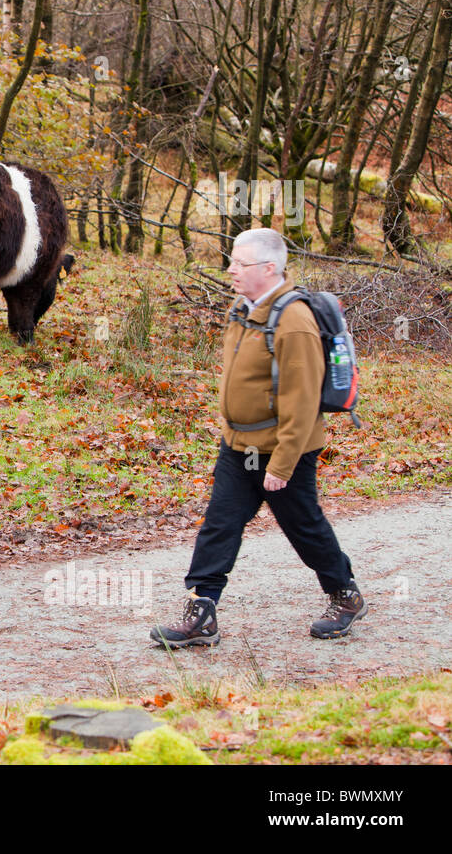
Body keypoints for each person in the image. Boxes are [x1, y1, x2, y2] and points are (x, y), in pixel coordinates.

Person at [150, 228, 366, 647]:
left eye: (240, 263)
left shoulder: (296, 323)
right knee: (220, 524)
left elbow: (302, 401)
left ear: (269, 269)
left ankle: (345, 594)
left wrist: (282, 464)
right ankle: (201, 612)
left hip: (285, 449)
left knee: (304, 526)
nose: (230, 269)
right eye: (231, 261)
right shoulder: (242, 308)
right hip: (240, 447)